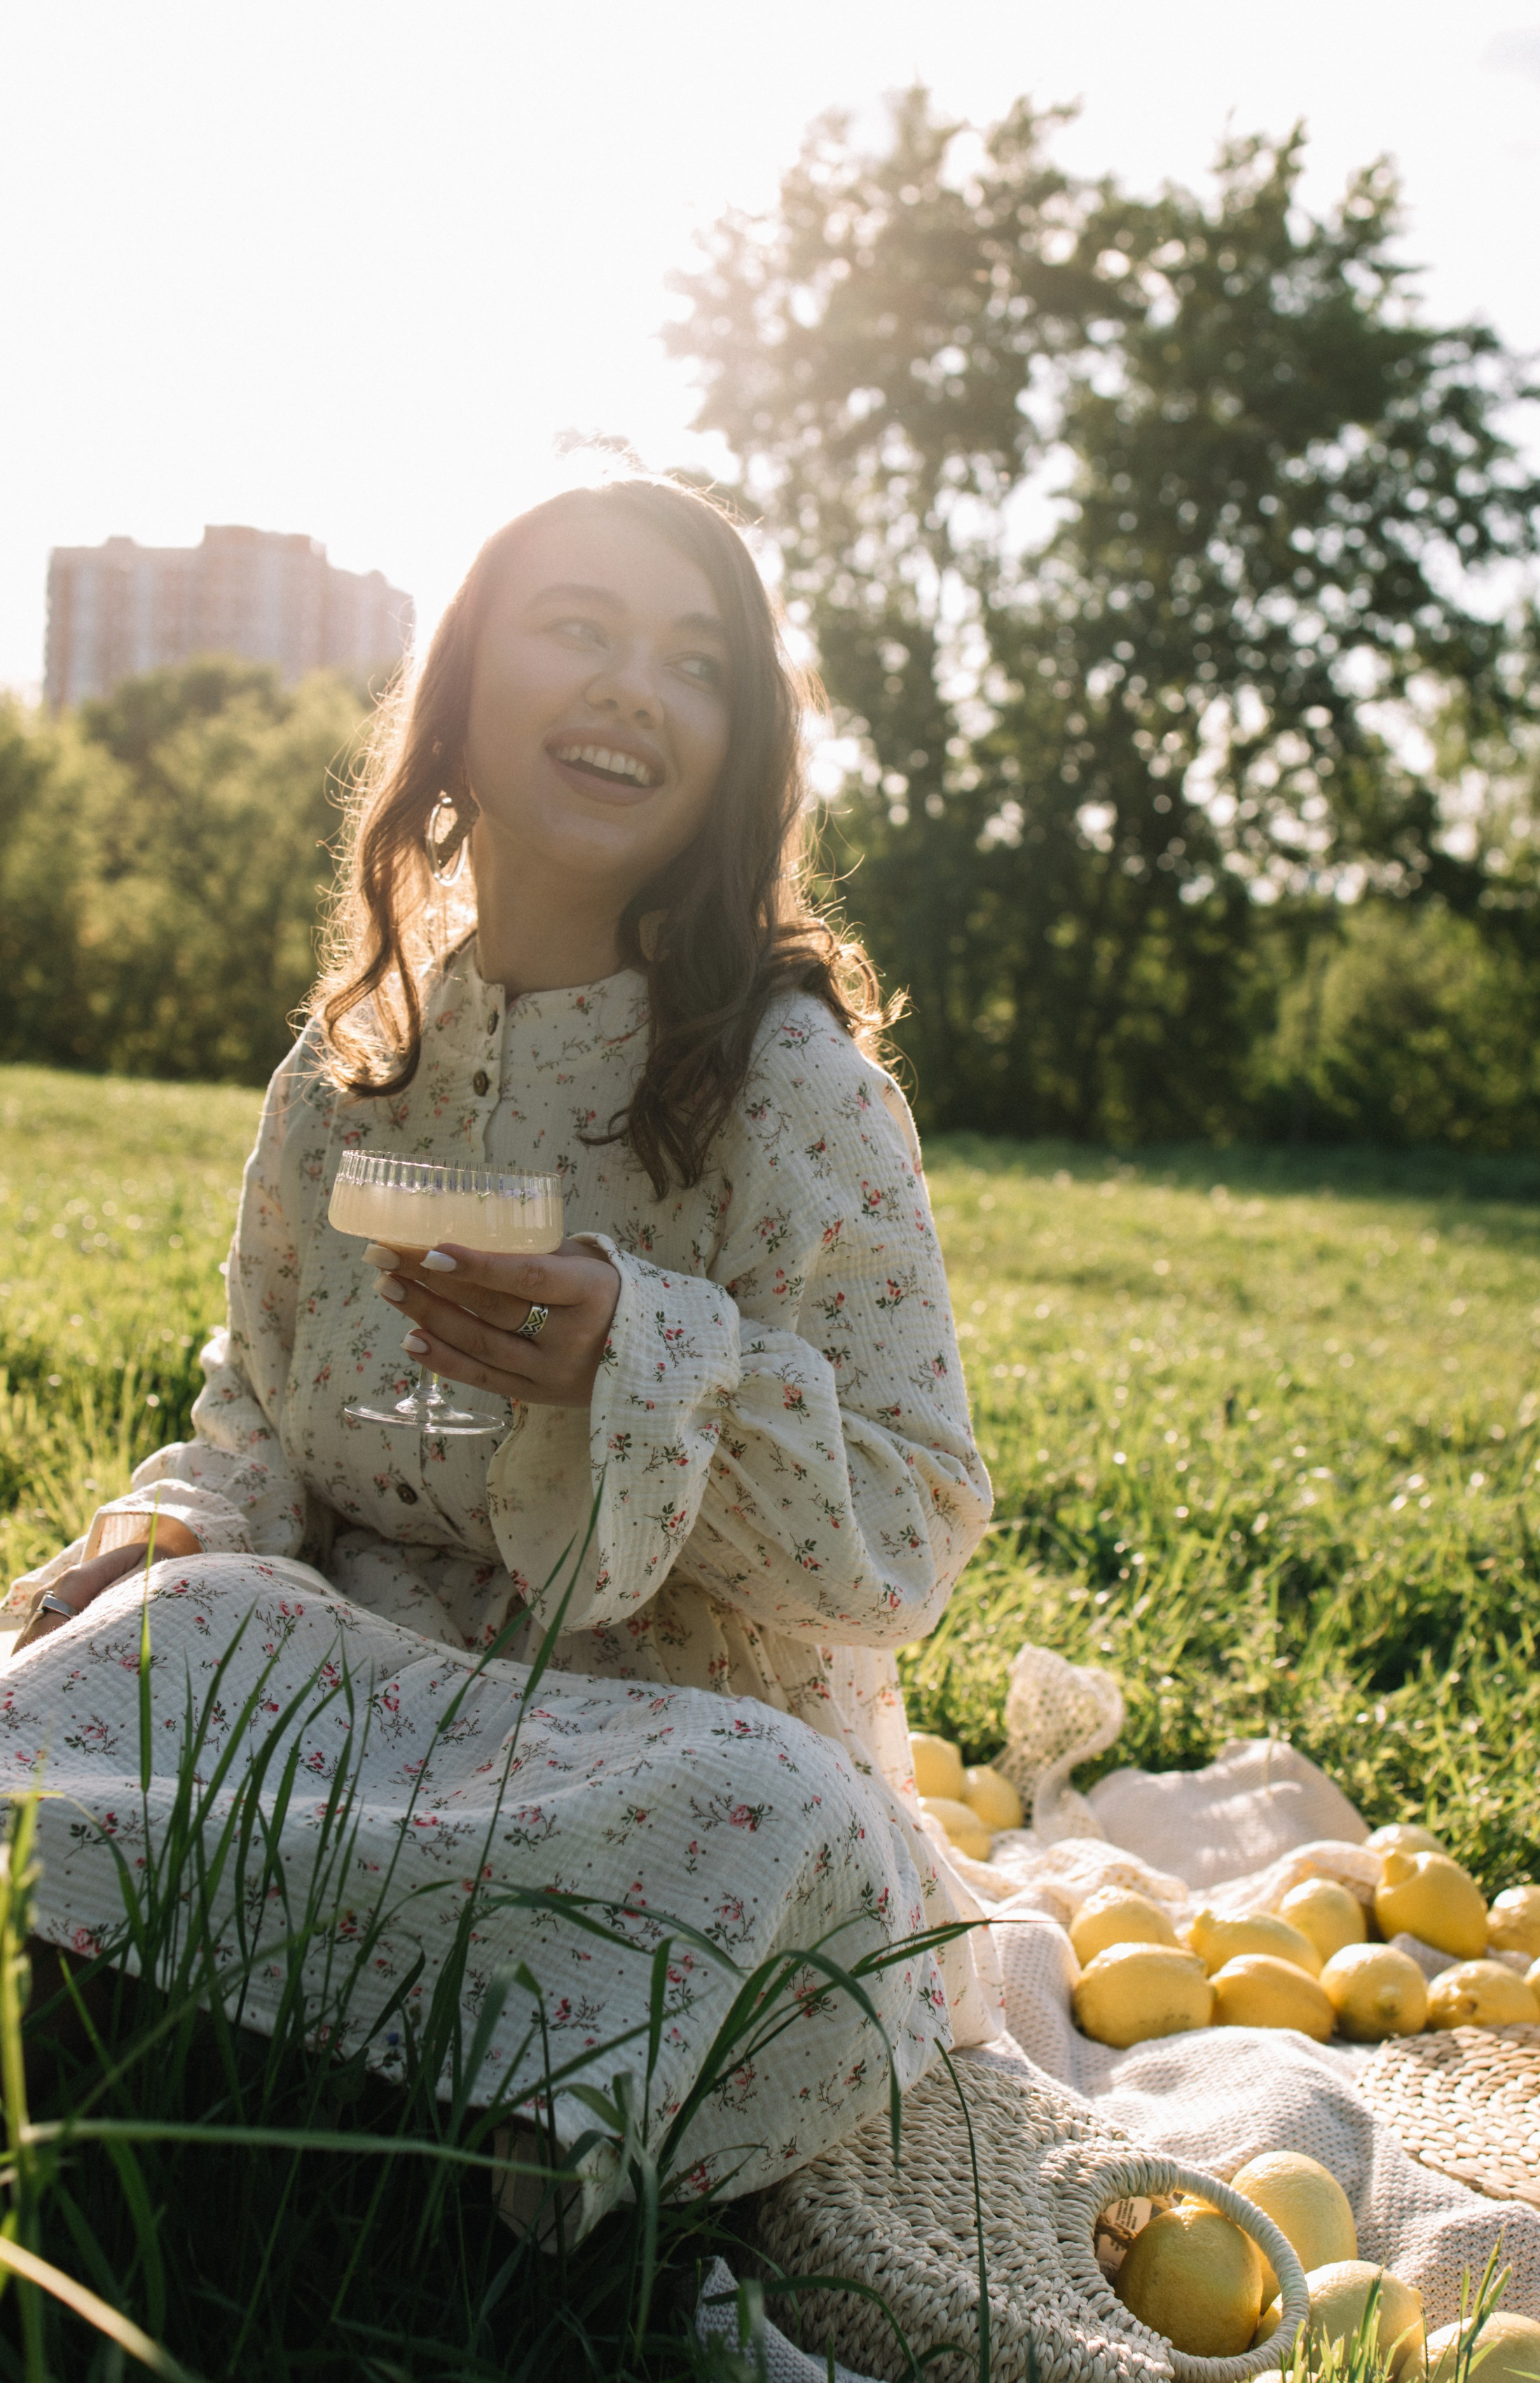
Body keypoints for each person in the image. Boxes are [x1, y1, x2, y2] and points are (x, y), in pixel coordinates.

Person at [2, 475, 998, 2233]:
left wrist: (648, 1358)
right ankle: (375, 2055)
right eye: (578, 629)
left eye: (693, 663)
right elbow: (256, 1409)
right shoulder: (349, 1071)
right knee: (160, 1632)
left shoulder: (797, 1095)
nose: (631, 688)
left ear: (736, 749)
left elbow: (911, 1529)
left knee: (772, 1814)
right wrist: (177, 1527)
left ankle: (380, 2096)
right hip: (367, 1699)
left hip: (645, 1754)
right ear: (457, 692)